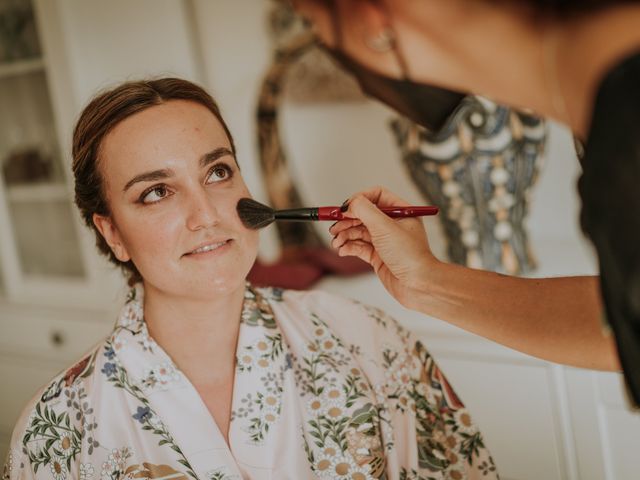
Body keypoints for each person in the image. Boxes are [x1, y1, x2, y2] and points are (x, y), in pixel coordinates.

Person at [3, 78, 498, 480]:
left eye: (217, 173)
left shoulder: (370, 342)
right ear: (112, 233)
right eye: (157, 192)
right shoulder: (57, 430)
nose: (207, 216)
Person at [291, 0, 640, 402]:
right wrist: (425, 280)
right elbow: (617, 317)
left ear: (371, 17)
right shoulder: (604, 97)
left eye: (312, 23)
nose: (323, 46)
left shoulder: (628, 130)